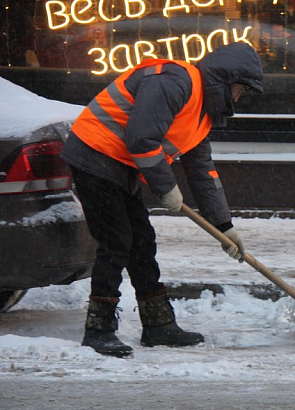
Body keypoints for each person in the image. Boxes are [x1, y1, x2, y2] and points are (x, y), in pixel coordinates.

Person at [60, 43, 264, 357]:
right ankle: (98, 330)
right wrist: (166, 187)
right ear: (224, 80)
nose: (237, 99)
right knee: (116, 241)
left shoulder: (201, 113)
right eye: (238, 90)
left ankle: (158, 326)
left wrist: (223, 225)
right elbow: (141, 138)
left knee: (142, 241)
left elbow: (202, 172)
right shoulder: (175, 81)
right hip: (94, 155)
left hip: (120, 165)